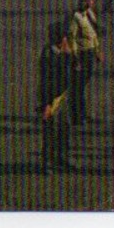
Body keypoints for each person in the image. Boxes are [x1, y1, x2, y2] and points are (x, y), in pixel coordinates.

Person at [38, 21, 74, 175]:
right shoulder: (48, 55)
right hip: (52, 99)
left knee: (64, 130)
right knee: (50, 132)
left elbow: (73, 69)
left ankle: (61, 159)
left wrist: (68, 55)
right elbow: (46, 82)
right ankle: (47, 163)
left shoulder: (61, 52)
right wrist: (46, 104)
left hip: (63, 96)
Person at [68, 0, 103, 127]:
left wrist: (97, 51)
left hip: (89, 53)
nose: (91, 2)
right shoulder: (76, 16)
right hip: (81, 55)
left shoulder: (89, 14)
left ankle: (81, 114)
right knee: (78, 87)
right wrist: (75, 59)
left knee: (82, 86)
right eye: (89, 0)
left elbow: (93, 34)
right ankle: (77, 117)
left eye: (91, 0)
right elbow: (72, 38)